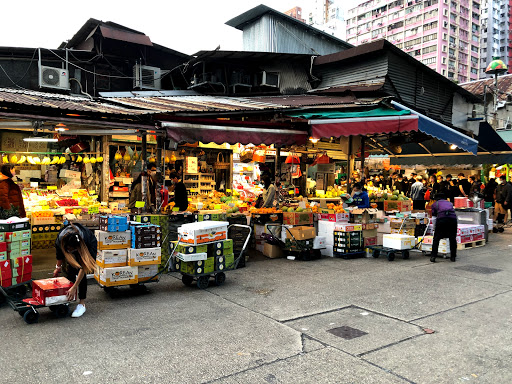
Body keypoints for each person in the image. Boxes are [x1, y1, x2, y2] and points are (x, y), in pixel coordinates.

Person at [53, 223, 97, 318]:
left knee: (80, 273)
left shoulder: (86, 242)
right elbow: (59, 253)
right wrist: (58, 267)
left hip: (88, 244)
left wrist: (74, 287)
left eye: (73, 250)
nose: (71, 252)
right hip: (72, 243)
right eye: (69, 250)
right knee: (70, 270)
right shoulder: (60, 239)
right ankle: (70, 297)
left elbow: (83, 268)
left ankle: (82, 303)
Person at [430, 193, 458, 263]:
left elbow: (434, 218)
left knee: (436, 238)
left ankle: (433, 256)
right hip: (453, 220)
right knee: (452, 238)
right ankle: (453, 256)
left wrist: (434, 228)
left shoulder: (435, 204)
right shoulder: (450, 203)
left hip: (442, 219)